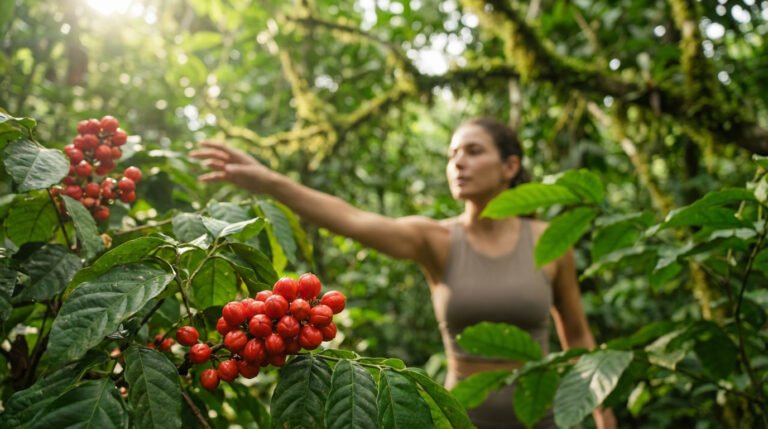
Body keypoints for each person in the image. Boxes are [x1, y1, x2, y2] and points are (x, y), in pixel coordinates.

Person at [191, 117, 616, 429]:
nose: (458, 164)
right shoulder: (437, 240)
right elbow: (352, 218)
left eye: (473, 151)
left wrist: (602, 413)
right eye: (451, 155)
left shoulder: (551, 240)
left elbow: (577, 336)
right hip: (460, 415)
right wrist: (267, 180)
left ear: (509, 167)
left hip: (544, 415)